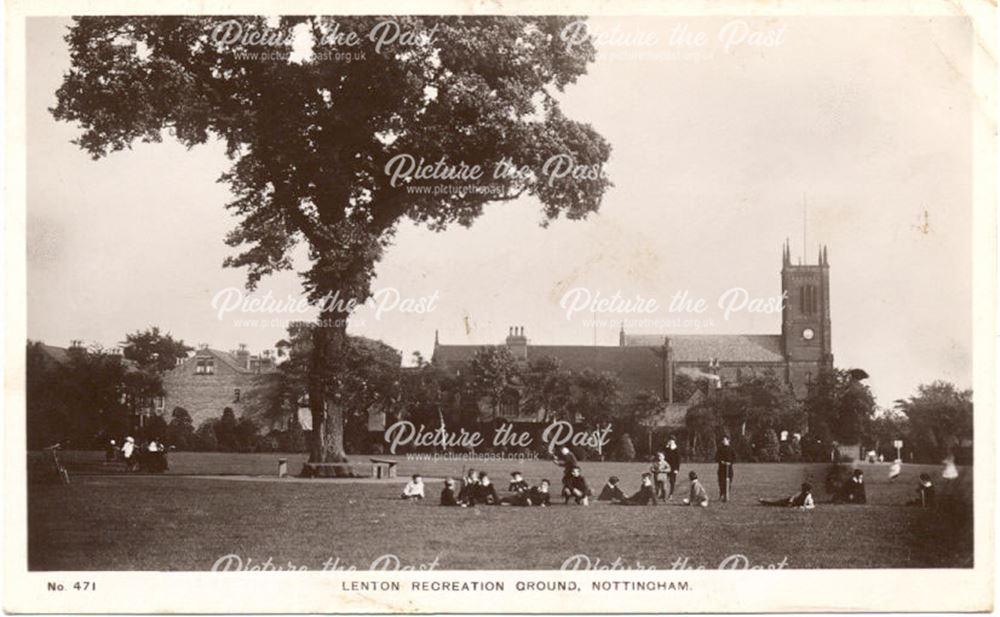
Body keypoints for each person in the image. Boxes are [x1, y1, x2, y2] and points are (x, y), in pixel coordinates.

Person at [716, 437, 735, 502]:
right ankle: (721, 495)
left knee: (728, 482)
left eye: (725, 440)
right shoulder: (720, 449)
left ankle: (726, 495)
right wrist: (721, 461)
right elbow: (716, 457)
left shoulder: (731, 449)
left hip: (729, 469)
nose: (723, 441)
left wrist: (730, 463)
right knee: (721, 482)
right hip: (721, 469)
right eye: (723, 440)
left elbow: (734, 458)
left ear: (728, 440)